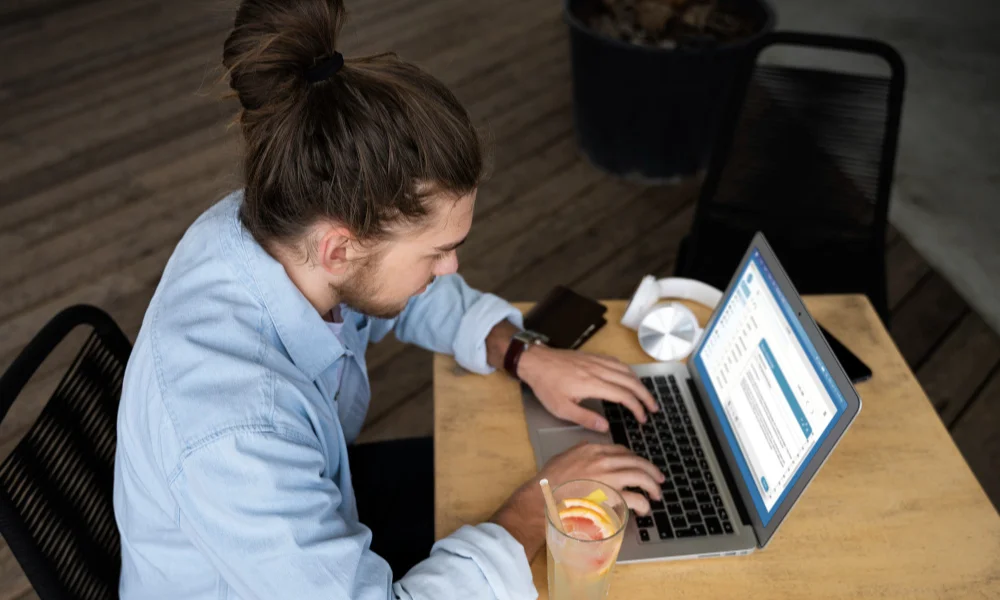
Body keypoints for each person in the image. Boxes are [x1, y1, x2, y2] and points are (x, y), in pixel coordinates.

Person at [112, 0, 666, 598]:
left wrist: (519, 352)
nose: (450, 269)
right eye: (436, 253)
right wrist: (537, 508)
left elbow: (400, 291)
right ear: (339, 249)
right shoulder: (240, 434)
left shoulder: (282, 226)